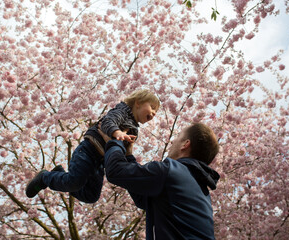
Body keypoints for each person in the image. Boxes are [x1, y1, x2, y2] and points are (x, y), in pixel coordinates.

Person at [25, 89, 160, 203]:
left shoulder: (134, 129)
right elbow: (108, 121)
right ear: (138, 103)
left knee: (91, 196)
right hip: (88, 151)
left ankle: (59, 174)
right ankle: (45, 178)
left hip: (99, 162)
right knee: (74, 182)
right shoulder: (122, 111)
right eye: (152, 108)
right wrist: (117, 132)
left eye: (156, 112)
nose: (153, 113)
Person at [100, 123, 220, 239]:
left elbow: (115, 171)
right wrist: (128, 156)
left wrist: (115, 141)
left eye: (178, 137)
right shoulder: (201, 189)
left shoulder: (170, 170)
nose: (172, 141)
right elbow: (143, 198)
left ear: (185, 144)